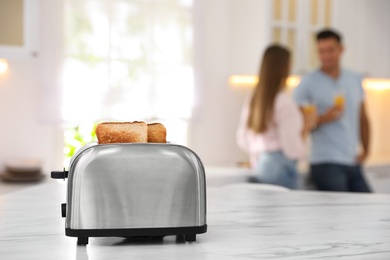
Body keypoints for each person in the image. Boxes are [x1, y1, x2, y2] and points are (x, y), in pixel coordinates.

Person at [293, 29, 371, 192]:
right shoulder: (308, 82)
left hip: (352, 159)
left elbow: (363, 118)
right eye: (321, 51)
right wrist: (323, 118)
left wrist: (366, 149)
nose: (326, 56)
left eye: (331, 50)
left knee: (372, 210)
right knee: (341, 212)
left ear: (341, 49)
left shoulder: (355, 78)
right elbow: (298, 124)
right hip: (325, 161)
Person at [237, 44, 315, 189]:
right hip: (281, 167)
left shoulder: (253, 98)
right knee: (286, 211)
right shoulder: (284, 102)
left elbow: (242, 138)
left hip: (261, 166)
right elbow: (291, 147)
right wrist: (306, 125)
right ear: (284, 67)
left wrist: (258, 154)